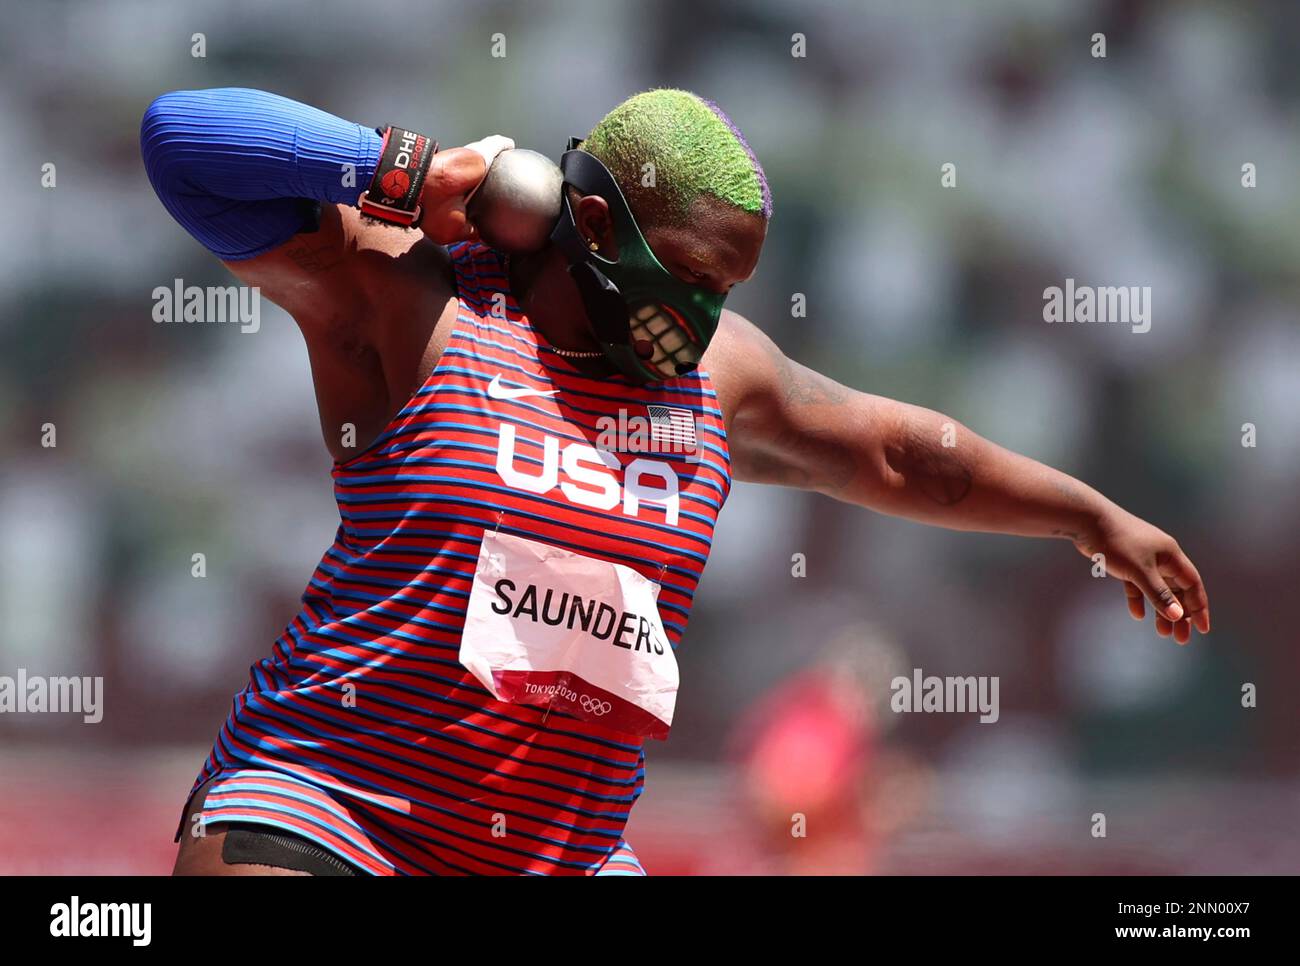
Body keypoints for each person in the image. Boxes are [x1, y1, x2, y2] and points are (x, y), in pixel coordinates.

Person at [142, 87, 1209, 876]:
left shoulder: (721, 373)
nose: (701, 318)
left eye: (730, 288)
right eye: (692, 278)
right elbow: (180, 142)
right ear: (594, 225)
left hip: (566, 857)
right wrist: (405, 169)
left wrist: (1089, 516)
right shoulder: (414, 297)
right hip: (327, 813)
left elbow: (899, 454)